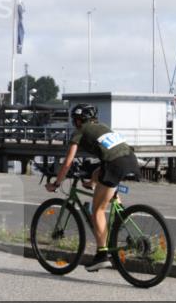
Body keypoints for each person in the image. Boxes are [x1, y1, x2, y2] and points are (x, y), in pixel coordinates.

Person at [46, 104, 141, 271]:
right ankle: (121, 215)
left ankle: (102, 255)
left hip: (114, 164)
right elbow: (105, 161)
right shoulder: (102, 127)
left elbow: (68, 162)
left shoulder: (80, 131)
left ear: (78, 120)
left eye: (74, 120)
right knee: (104, 179)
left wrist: (56, 183)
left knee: (97, 210)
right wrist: (92, 182)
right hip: (130, 159)